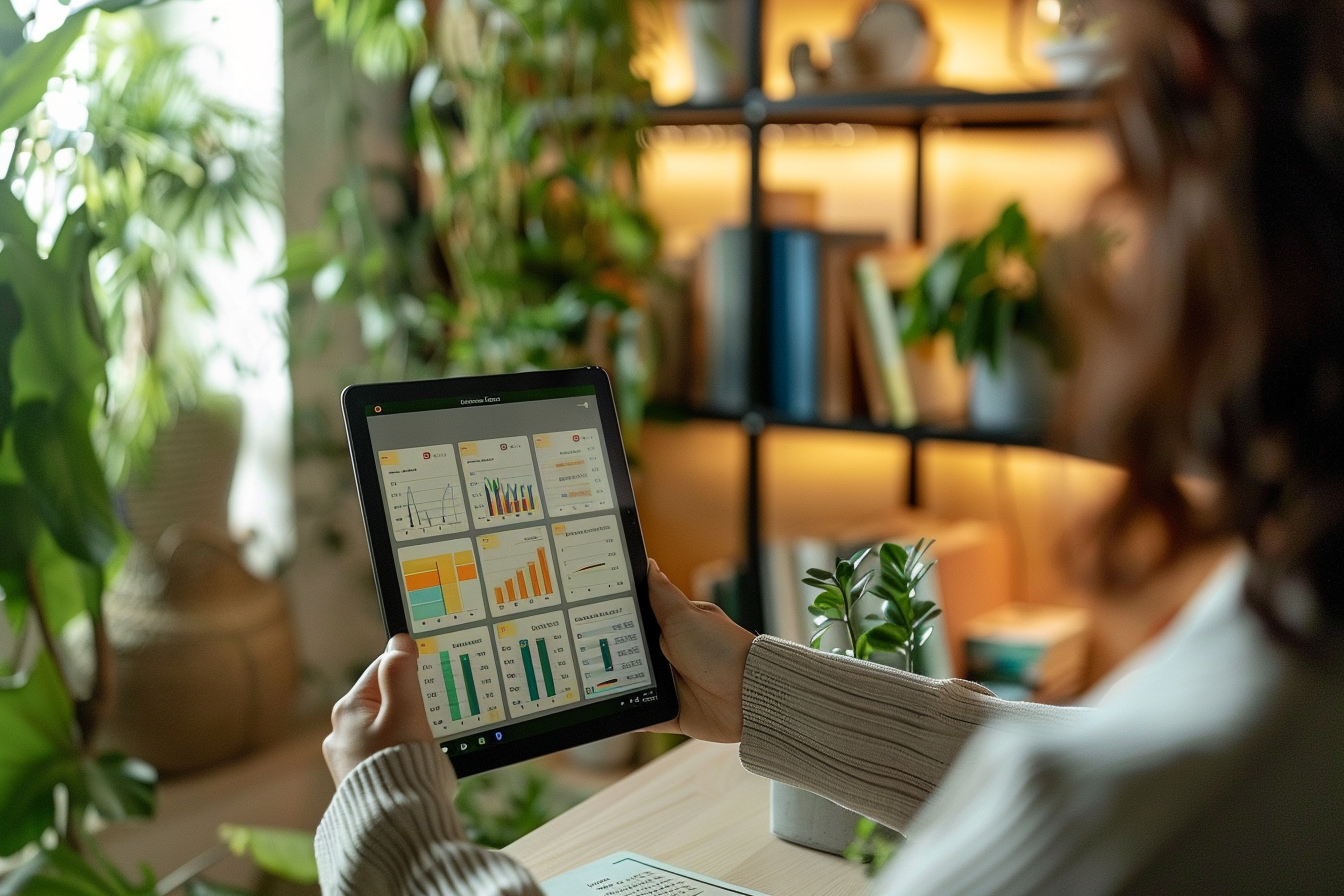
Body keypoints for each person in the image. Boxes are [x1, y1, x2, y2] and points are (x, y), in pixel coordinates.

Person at [315, 0, 1344, 892]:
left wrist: (397, 830)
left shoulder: (1152, 810)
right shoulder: (1288, 638)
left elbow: (1108, 787)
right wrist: (763, 687)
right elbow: (1108, 746)